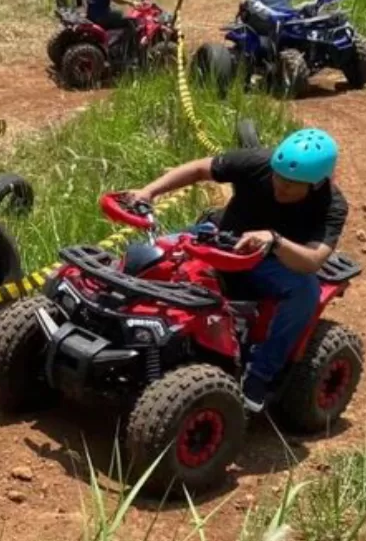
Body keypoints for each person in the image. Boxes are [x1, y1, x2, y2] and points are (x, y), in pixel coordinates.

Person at [128, 128, 349, 412]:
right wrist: (149, 191)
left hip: (271, 261)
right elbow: (198, 169)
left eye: (291, 185)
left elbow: (313, 260)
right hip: (220, 238)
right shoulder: (257, 162)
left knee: (306, 291)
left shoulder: (332, 206)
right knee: (147, 255)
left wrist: (275, 241)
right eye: (277, 177)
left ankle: (258, 378)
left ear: (316, 185)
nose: (279, 186)